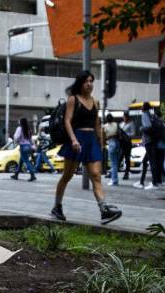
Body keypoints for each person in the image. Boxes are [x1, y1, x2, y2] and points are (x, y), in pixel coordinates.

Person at [51, 71, 122, 225]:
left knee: (96, 176)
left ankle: (104, 210)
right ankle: (57, 207)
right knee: (67, 175)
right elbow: (67, 121)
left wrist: (101, 143)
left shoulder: (95, 102)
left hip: (91, 141)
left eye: (91, 81)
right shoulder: (73, 99)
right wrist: (73, 140)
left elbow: (97, 124)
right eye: (86, 81)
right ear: (80, 83)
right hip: (76, 139)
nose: (89, 84)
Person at [135, 102, 161, 189]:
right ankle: (142, 181)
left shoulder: (144, 115)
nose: (141, 108)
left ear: (144, 108)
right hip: (153, 140)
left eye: (142, 106)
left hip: (148, 141)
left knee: (152, 162)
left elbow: (148, 126)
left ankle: (154, 183)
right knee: (146, 162)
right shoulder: (152, 115)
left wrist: (141, 128)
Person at [10, 117, 37, 181]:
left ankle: (32, 175)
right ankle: (16, 174)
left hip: (23, 146)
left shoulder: (20, 128)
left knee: (26, 161)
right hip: (29, 146)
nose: (18, 122)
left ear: (21, 122)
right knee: (21, 161)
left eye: (19, 121)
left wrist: (16, 142)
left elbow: (16, 137)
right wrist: (33, 146)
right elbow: (31, 139)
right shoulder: (28, 129)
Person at [103, 114, 120, 186]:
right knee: (115, 163)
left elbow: (103, 137)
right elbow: (118, 133)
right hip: (117, 143)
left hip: (111, 143)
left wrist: (103, 144)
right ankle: (115, 179)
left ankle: (114, 180)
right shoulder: (116, 124)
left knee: (113, 163)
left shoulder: (105, 126)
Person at [120, 113, 135, 180]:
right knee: (120, 157)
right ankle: (114, 171)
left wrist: (126, 134)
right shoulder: (121, 124)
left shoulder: (131, 124)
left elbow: (133, 133)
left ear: (127, 117)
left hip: (127, 143)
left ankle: (126, 173)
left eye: (125, 117)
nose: (124, 118)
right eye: (123, 117)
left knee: (127, 158)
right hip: (121, 143)